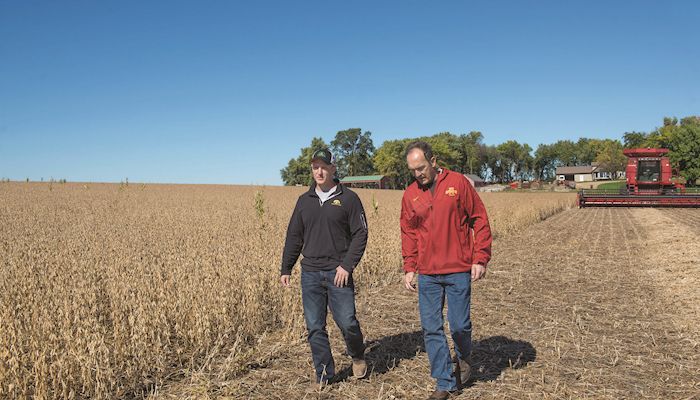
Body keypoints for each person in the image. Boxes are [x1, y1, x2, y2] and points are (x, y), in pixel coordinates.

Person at [400, 141, 492, 400]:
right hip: (428, 273)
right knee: (431, 328)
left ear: (433, 160)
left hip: (458, 269)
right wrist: (410, 266)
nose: (418, 174)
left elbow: (480, 220)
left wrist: (480, 258)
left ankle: (464, 357)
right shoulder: (410, 195)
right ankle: (444, 382)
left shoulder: (458, 183)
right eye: (413, 170)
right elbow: (408, 233)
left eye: (421, 167)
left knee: (460, 326)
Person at [280, 148, 369, 386]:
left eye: (323, 167)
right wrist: (286, 267)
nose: (319, 171)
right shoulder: (304, 201)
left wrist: (347, 266)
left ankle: (357, 354)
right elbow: (294, 236)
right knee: (315, 327)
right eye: (315, 167)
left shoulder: (348, 198)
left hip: (338, 272)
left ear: (333, 168)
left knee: (348, 322)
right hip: (310, 272)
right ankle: (324, 374)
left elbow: (361, 234)